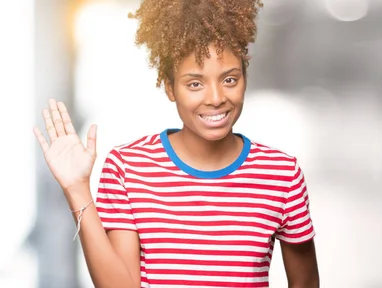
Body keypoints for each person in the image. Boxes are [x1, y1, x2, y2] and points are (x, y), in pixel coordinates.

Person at [32, 0, 319, 287]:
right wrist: (77, 188)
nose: (216, 97)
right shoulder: (128, 169)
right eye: (195, 83)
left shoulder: (281, 174)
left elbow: (305, 282)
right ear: (170, 87)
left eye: (230, 79)